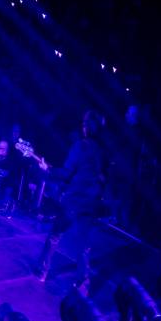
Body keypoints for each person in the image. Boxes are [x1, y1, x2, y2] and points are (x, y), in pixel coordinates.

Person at [35, 111, 108, 282]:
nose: (82, 126)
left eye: (84, 123)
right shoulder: (103, 152)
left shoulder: (80, 146)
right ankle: (83, 283)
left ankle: (42, 272)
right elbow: (103, 177)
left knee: (55, 235)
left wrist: (48, 170)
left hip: (74, 201)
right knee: (84, 246)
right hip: (91, 203)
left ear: (87, 127)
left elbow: (66, 174)